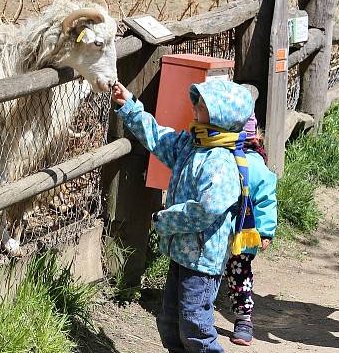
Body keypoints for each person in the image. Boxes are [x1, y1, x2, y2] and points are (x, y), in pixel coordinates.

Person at [111, 78, 254, 353]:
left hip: (202, 259)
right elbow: (158, 137)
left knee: (194, 325)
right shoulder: (192, 144)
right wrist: (129, 106)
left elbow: (207, 209)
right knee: (169, 322)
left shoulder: (220, 162)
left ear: (220, 116)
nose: (194, 109)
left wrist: (165, 220)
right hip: (182, 254)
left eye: (201, 106)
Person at [224, 113, 278, 347]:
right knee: (234, 274)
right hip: (227, 234)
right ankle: (237, 318)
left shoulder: (255, 166)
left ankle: (243, 318)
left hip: (241, 233)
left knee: (237, 273)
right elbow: (268, 200)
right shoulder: (220, 158)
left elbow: (265, 200)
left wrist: (265, 231)